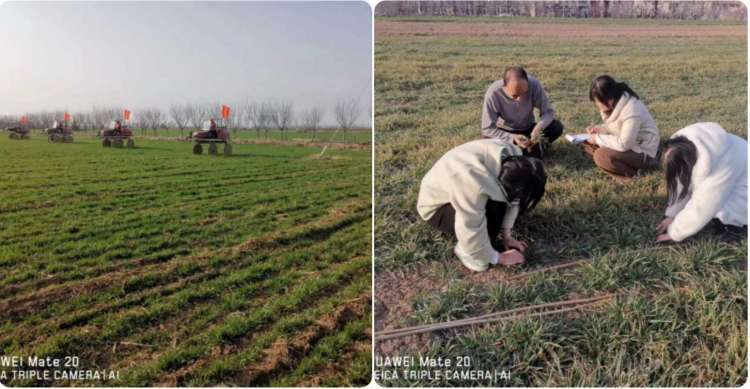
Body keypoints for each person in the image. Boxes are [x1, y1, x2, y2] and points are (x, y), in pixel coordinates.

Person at [417, 139, 547, 272]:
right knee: (489, 228)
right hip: (437, 206)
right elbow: (469, 226)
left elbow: (515, 200)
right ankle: (464, 250)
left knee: (499, 208)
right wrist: (498, 257)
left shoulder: (516, 158)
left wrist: (507, 235)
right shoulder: (469, 179)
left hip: (463, 186)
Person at [655, 122, 747, 243]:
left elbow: (704, 203)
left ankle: (736, 227)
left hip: (745, 190)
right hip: (735, 179)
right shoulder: (685, 144)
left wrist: (675, 232)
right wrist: (672, 214)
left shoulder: (723, 162)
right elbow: (681, 183)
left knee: (721, 211)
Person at [581, 75, 660, 179]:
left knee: (601, 155)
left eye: (597, 102)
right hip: (630, 145)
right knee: (585, 141)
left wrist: (598, 138)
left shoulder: (632, 109)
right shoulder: (615, 103)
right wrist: (600, 129)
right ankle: (617, 165)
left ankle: (633, 176)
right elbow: (617, 127)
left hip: (644, 152)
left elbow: (625, 143)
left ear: (609, 100)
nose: (597, 106)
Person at [481, 66, 564, 159]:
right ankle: (527, 151)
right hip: (506, 132)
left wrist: (538, 128)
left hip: (528, 129)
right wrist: (512, 137)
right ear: (504, 86)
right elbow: (487, 129)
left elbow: (548, 112)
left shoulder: (534, 85)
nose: (520, 99)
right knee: (486, 140)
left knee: (556, 127)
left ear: (527, 82)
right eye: (515, 95)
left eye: (524, 93)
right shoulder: (494, 92)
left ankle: (527, 149)